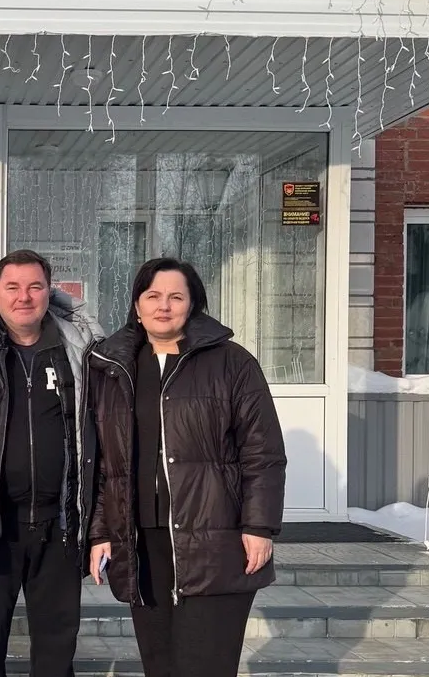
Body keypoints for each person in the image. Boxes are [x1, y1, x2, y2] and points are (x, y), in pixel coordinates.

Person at [88, 257, 287, 677]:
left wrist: (259, 526)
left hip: (215, 539)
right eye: (153, 296)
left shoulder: (232, 363)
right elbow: (106, 463)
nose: (164, 306)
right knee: (159, 664)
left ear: (193, 304)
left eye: (176, 297)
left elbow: (262, 453)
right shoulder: (113, 368)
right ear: (137, 305)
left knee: (205, 665)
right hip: (143, 543)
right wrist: (102, 532)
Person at [0, 249, 104, 677]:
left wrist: (101, 525)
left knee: (55, 655)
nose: (23, 297)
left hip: (60, 528)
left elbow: (104, 443)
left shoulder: (82, 352)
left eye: (34, 287)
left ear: (49, 292)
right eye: (12, 287)